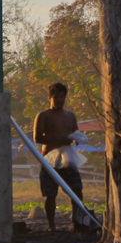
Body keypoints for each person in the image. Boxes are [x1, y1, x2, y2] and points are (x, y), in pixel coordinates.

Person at [33, 82, 85, 232]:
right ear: (50, 97)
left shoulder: (70, 116)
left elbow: (76, 134)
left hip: (67, 158)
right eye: (56, 97)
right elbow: (37, 138)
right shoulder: (43, 115)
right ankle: (51, 225)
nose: (59, 100)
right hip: (49, 158)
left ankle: (77, 222)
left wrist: (76, 139)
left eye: (62, 97)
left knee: (77, 191)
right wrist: (58, 140)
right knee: (51, 194)